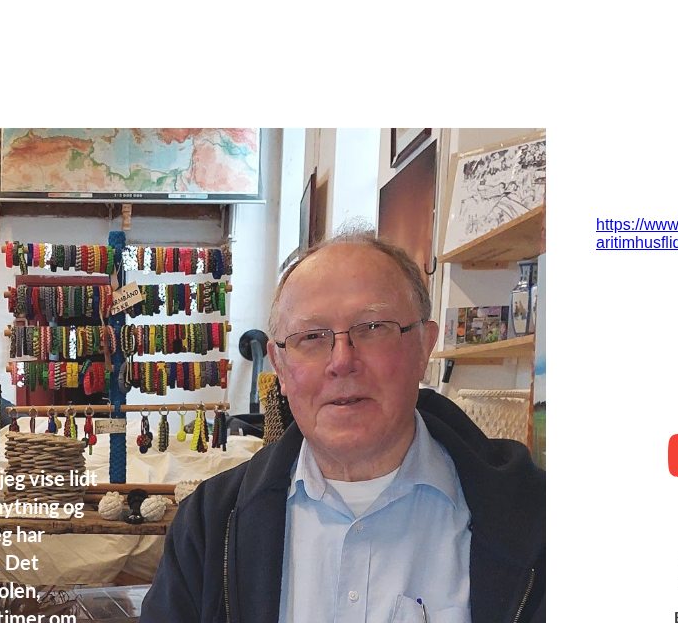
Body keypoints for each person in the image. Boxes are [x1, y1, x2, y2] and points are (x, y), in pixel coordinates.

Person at [139, 230, 545, 622]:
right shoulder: (209, 528)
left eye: (373, 328)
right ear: (279, 366)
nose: (341, 361)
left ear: (424, 345)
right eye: (311, 337)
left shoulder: (538, 521)